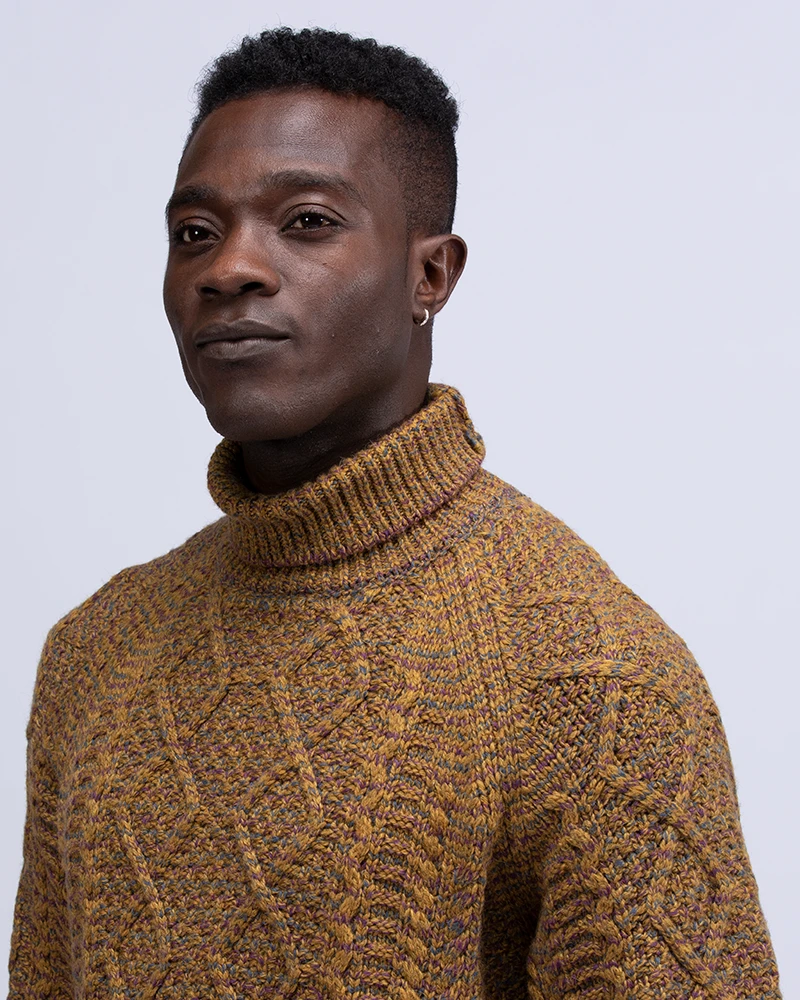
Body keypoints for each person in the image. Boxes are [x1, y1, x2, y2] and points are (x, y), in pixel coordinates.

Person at [9, 26, 781, 999]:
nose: (228, 268)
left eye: (306, 221)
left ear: (431, 276)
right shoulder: (94, 653)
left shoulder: (591, 680)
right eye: (194, 233)